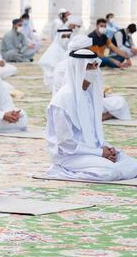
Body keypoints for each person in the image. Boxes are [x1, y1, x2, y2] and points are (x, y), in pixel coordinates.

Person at [45, 49, 137, 181]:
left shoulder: (89, 93)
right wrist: (100, 153)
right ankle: (61, 169)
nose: (94, 70)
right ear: (78, 68)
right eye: (89, 66)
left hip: (92, 150)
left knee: (133, 164)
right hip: (70, 156)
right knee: (110, 171)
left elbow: (93, 132)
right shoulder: (63, 100)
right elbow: (66, 144)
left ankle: (102, 162)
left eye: (95, 65)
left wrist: (106, 147)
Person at [52, 35, 131, 121]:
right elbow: (76, 92)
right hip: (71, 105)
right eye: (88, 49)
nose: (90, 51)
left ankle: (94, 117)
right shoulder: (64, 68)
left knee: (119, 101)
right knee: (116, 103)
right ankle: (96, 118)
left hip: (85, 102)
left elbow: (94, 89)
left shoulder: (90, 63)